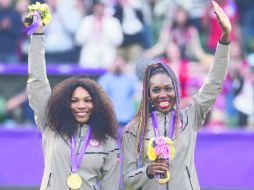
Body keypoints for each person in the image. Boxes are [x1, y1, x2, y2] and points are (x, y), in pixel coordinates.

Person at [122, 1, 231, 190]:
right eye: (156, 90)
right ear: (147, 93)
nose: (163, 94)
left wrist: (225, 39)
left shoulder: (190, 117)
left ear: (176, 90)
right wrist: (147, 171)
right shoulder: (134, 129)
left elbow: (214, 82)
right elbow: (128, 180)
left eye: (168, 88)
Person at [26, 14, 120, 190]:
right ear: (65, 104)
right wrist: (37, 36)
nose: (81, 105)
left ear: (97, 105)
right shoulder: (52, 126)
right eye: (74, 100)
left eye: (87, 100)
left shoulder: (108, 142)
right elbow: (37, 83)